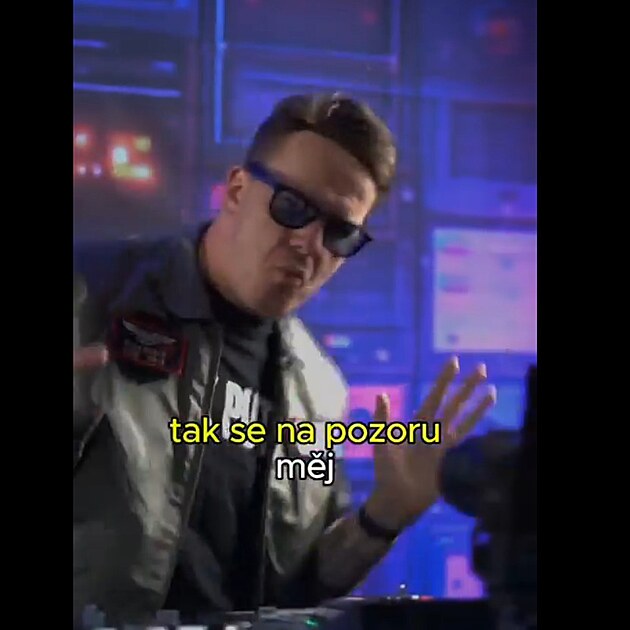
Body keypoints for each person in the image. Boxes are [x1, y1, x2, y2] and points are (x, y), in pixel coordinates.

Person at [73, 93, 496, 627]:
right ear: (236, 190)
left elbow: (299, 587)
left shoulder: (320, 392)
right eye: (293, 207)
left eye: (339, 232)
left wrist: (385, 515)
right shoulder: (88, 296)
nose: (308, 243)